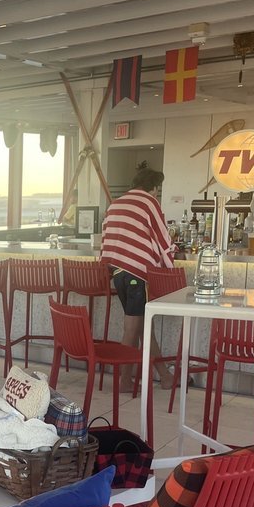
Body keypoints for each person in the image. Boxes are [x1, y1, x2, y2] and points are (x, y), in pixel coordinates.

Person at [99, 164, 176, 389]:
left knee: (143, 325)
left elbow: (106, 236)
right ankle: (123, 380)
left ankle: (164, 376)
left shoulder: (116, 203)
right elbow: (163, 238)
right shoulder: (149, 202)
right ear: (152, 188)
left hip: (119, 273)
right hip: (137, 274)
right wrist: (170, 265)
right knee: (132, 328)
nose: (157, 194)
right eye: (157, 190)